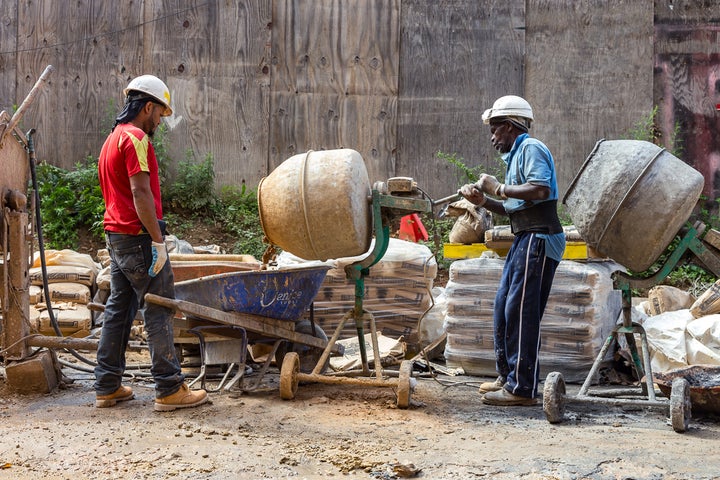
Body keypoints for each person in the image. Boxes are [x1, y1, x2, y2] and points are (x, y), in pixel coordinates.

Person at [94, 75, 208, 411]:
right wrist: (158, 242)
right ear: (147, 107)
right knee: (159, 306)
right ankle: (170, 388)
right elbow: (140, 192)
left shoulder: (112, 140)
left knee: (119, 308)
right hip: (138, 237)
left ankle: (106, 384)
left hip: (116, 236)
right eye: (160, 112)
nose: (161, 119)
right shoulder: (137, 138)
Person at [460, 95, 565, 406]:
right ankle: (507, 376)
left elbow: (541, 190)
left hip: (540, 237)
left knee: (521, 310)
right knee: (504, 307)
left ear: (508, 126)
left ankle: (521, 388)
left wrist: (498, 188)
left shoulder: (531, 148)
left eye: (494, 131)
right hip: (525, 235)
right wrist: (485, 202)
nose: (493, 139)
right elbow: (515, 208)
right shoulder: (518, 155)